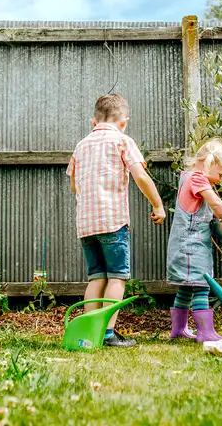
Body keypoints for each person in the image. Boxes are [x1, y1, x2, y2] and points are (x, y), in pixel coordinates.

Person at [67, 93, 165, 348]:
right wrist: (157, 204)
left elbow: (74, 184)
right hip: (112, 221)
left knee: (96, 278)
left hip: (86, 224)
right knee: (117, 278)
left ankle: (90, 331)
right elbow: (140, 176)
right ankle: (108, 333)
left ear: (94, 121)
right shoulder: (122, 140)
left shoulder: (81, 145)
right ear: (123, 121)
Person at [167, 138, 222, 342]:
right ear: (210, 163)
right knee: (202, 286)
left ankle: (179, 330)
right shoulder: (198, 178)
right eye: (221, 174)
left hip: (189, 245)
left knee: (187, 287)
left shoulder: (187, 176)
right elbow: (214, 202)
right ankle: (205, 332)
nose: (220, 180)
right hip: (190, 246)